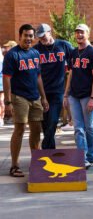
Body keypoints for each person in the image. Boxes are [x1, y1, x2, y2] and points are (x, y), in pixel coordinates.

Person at [3, 24, 49, 177]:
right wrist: (8, 102)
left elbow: (38, 77)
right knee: (20, 129)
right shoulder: (12, 55)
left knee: (36, 130)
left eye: (31, 36)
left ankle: (37, 163)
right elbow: (7, 78)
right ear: (20, 36)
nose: (29, 38)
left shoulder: (35, 53)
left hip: (35, 97)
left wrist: (43, 97)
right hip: (19, 96)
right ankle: (14, 166)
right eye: (26, 35)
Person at [63, 23, 93, 168]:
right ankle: (82, 156)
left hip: (87, 96)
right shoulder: (73, 53)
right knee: (78, 128)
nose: (79, 35)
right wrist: (66, 94)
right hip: (74, 95)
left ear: (88, 33)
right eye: (77, 32)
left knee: (89, 127)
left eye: (82, 32)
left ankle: (91, 155)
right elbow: (71, 73)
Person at [34, 23, 74, 149]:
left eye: (43, 35)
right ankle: (50, 152)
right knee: (45, 124)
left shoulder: (63, 45)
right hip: (41, 91)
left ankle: (45, 149)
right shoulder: (36, 50)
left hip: (57, 90)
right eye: (39, 37)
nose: (41, 39)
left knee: (53, 121)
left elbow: (76, 61)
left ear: (50, 32)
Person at [0, 46, 4, 127]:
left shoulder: (2, 60)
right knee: (1, 101)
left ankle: (1, 118)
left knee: (1, 101)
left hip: (1, 83)